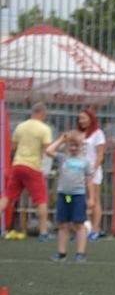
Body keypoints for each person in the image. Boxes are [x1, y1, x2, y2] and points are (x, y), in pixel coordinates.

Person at [0, 102, 53, 241]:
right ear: (43, 114)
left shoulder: (20, 127)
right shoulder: (44, 129)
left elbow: (13, 147)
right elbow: (48, 149)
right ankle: (43, 233)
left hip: (18, 165)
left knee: (7, 197)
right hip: (33, 166)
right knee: (41, 200)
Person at [45, 130, 94, 262]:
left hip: (78, 196)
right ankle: (61, 253)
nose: (73, 148)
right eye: (71, 145)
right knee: (63, 224)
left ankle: (80, 253)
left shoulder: (85, 162)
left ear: (81, 145)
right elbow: (48, 151)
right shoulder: (63, 158)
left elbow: (89, 181)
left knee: (79, 225)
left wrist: (91, 198)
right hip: (65, 196)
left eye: (76, 145)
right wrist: (61, 140)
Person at [76, 108, 107, 240]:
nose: (81, 121)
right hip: (78, 171)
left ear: (90, 118)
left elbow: (100, 155)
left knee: (94, 200)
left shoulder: (98, 133)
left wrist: (93, 170)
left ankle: (95, 229)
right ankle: (81, 230)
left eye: (83, 118)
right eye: (79, 118)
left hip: (92, 171)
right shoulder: (79, 134)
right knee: (77, 200)